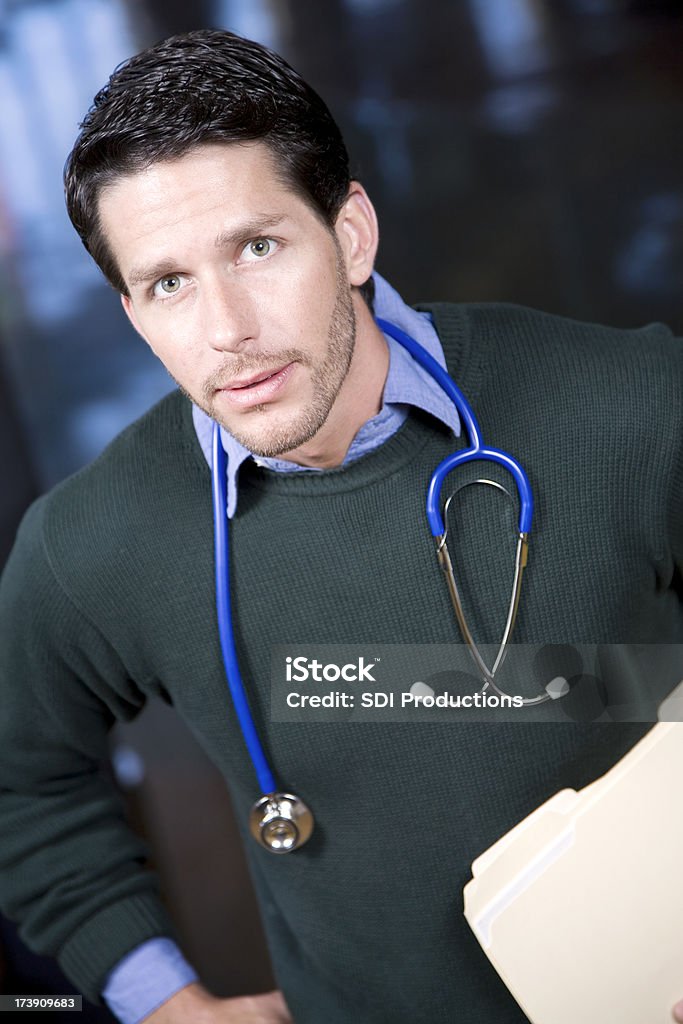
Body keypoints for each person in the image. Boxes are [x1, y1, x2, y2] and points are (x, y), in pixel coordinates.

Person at [0, 27, 681, 1024]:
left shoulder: (626, 407)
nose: (226, 329)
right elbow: (20, 787)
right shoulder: (91, 544)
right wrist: (162, 1000)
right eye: (169, 283)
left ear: (350, 233)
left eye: (257, 246)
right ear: (133, 311)